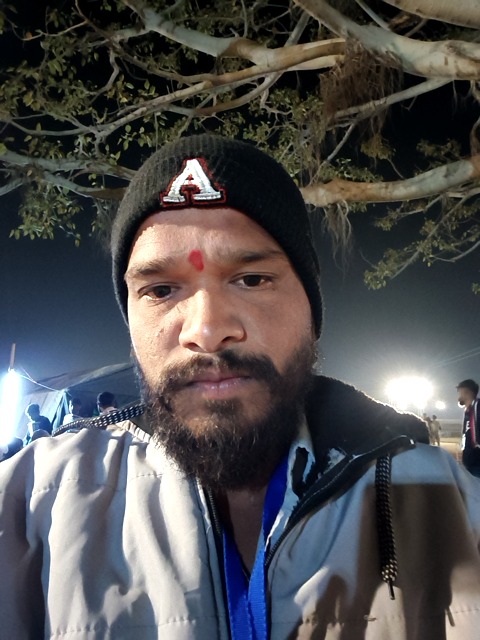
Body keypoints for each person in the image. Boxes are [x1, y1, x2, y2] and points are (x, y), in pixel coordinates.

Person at [1, 135, 480, 639]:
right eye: (161, 290)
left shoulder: (446, 506)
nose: (206, 331)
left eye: (251, 279)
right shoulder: (32, 506)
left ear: (310, 308)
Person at [457, 378, 480, 477]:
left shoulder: (478, 407)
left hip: (477, 461)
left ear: (467, 392)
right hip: (470, 460)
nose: (459, 397)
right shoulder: (468, 410)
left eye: (460, 393)